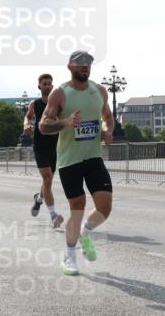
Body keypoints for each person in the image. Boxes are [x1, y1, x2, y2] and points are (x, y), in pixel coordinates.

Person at [38, 51, 115, 276]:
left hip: (93, 157)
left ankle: (86, 232)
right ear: (70, 66)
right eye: (81, 63)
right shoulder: (60, 94)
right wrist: (66, 122)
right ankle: (69, 257)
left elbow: (108, 117)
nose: (85, 66)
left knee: (105, 206)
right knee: (78, 208)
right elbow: (43, 126)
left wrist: (107, 131)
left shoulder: (99, 91)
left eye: (89, 63)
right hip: (69, 160)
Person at [23, 73, 64, 228]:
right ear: (39, 86)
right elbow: (28, 117)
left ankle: (39, 199)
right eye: (44, 83)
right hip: (40, 146)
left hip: (55, 146)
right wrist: (26, 125)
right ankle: (54, 215)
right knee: (47, 178)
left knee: (48, 181)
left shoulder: (58, 105)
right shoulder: (35, 104)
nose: (47, 85)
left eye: (49, 83)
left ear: (52, 86)